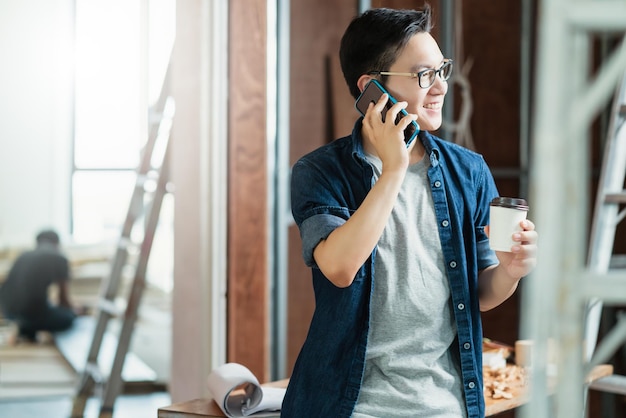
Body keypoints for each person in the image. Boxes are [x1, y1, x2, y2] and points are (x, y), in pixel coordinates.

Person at [283, 6, 537, 418]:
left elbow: (482, 295)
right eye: (423, 75)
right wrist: (394, 168)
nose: (439, 87)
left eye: (442, 70)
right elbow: (340, 267)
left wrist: (509, 271)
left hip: (445, 405)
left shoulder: (469, 171)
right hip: (348, 407)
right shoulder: (319, 172)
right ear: (372, 89)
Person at [0, 229, 79, 342]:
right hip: (31, 312)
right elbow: (63, 300)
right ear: (57, 243)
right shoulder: (59, 258)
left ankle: (25, 326)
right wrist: (75, 310)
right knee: (69, 317)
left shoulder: (24, 255)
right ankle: (28, 324)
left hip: (7, 311)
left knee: (44, 308)